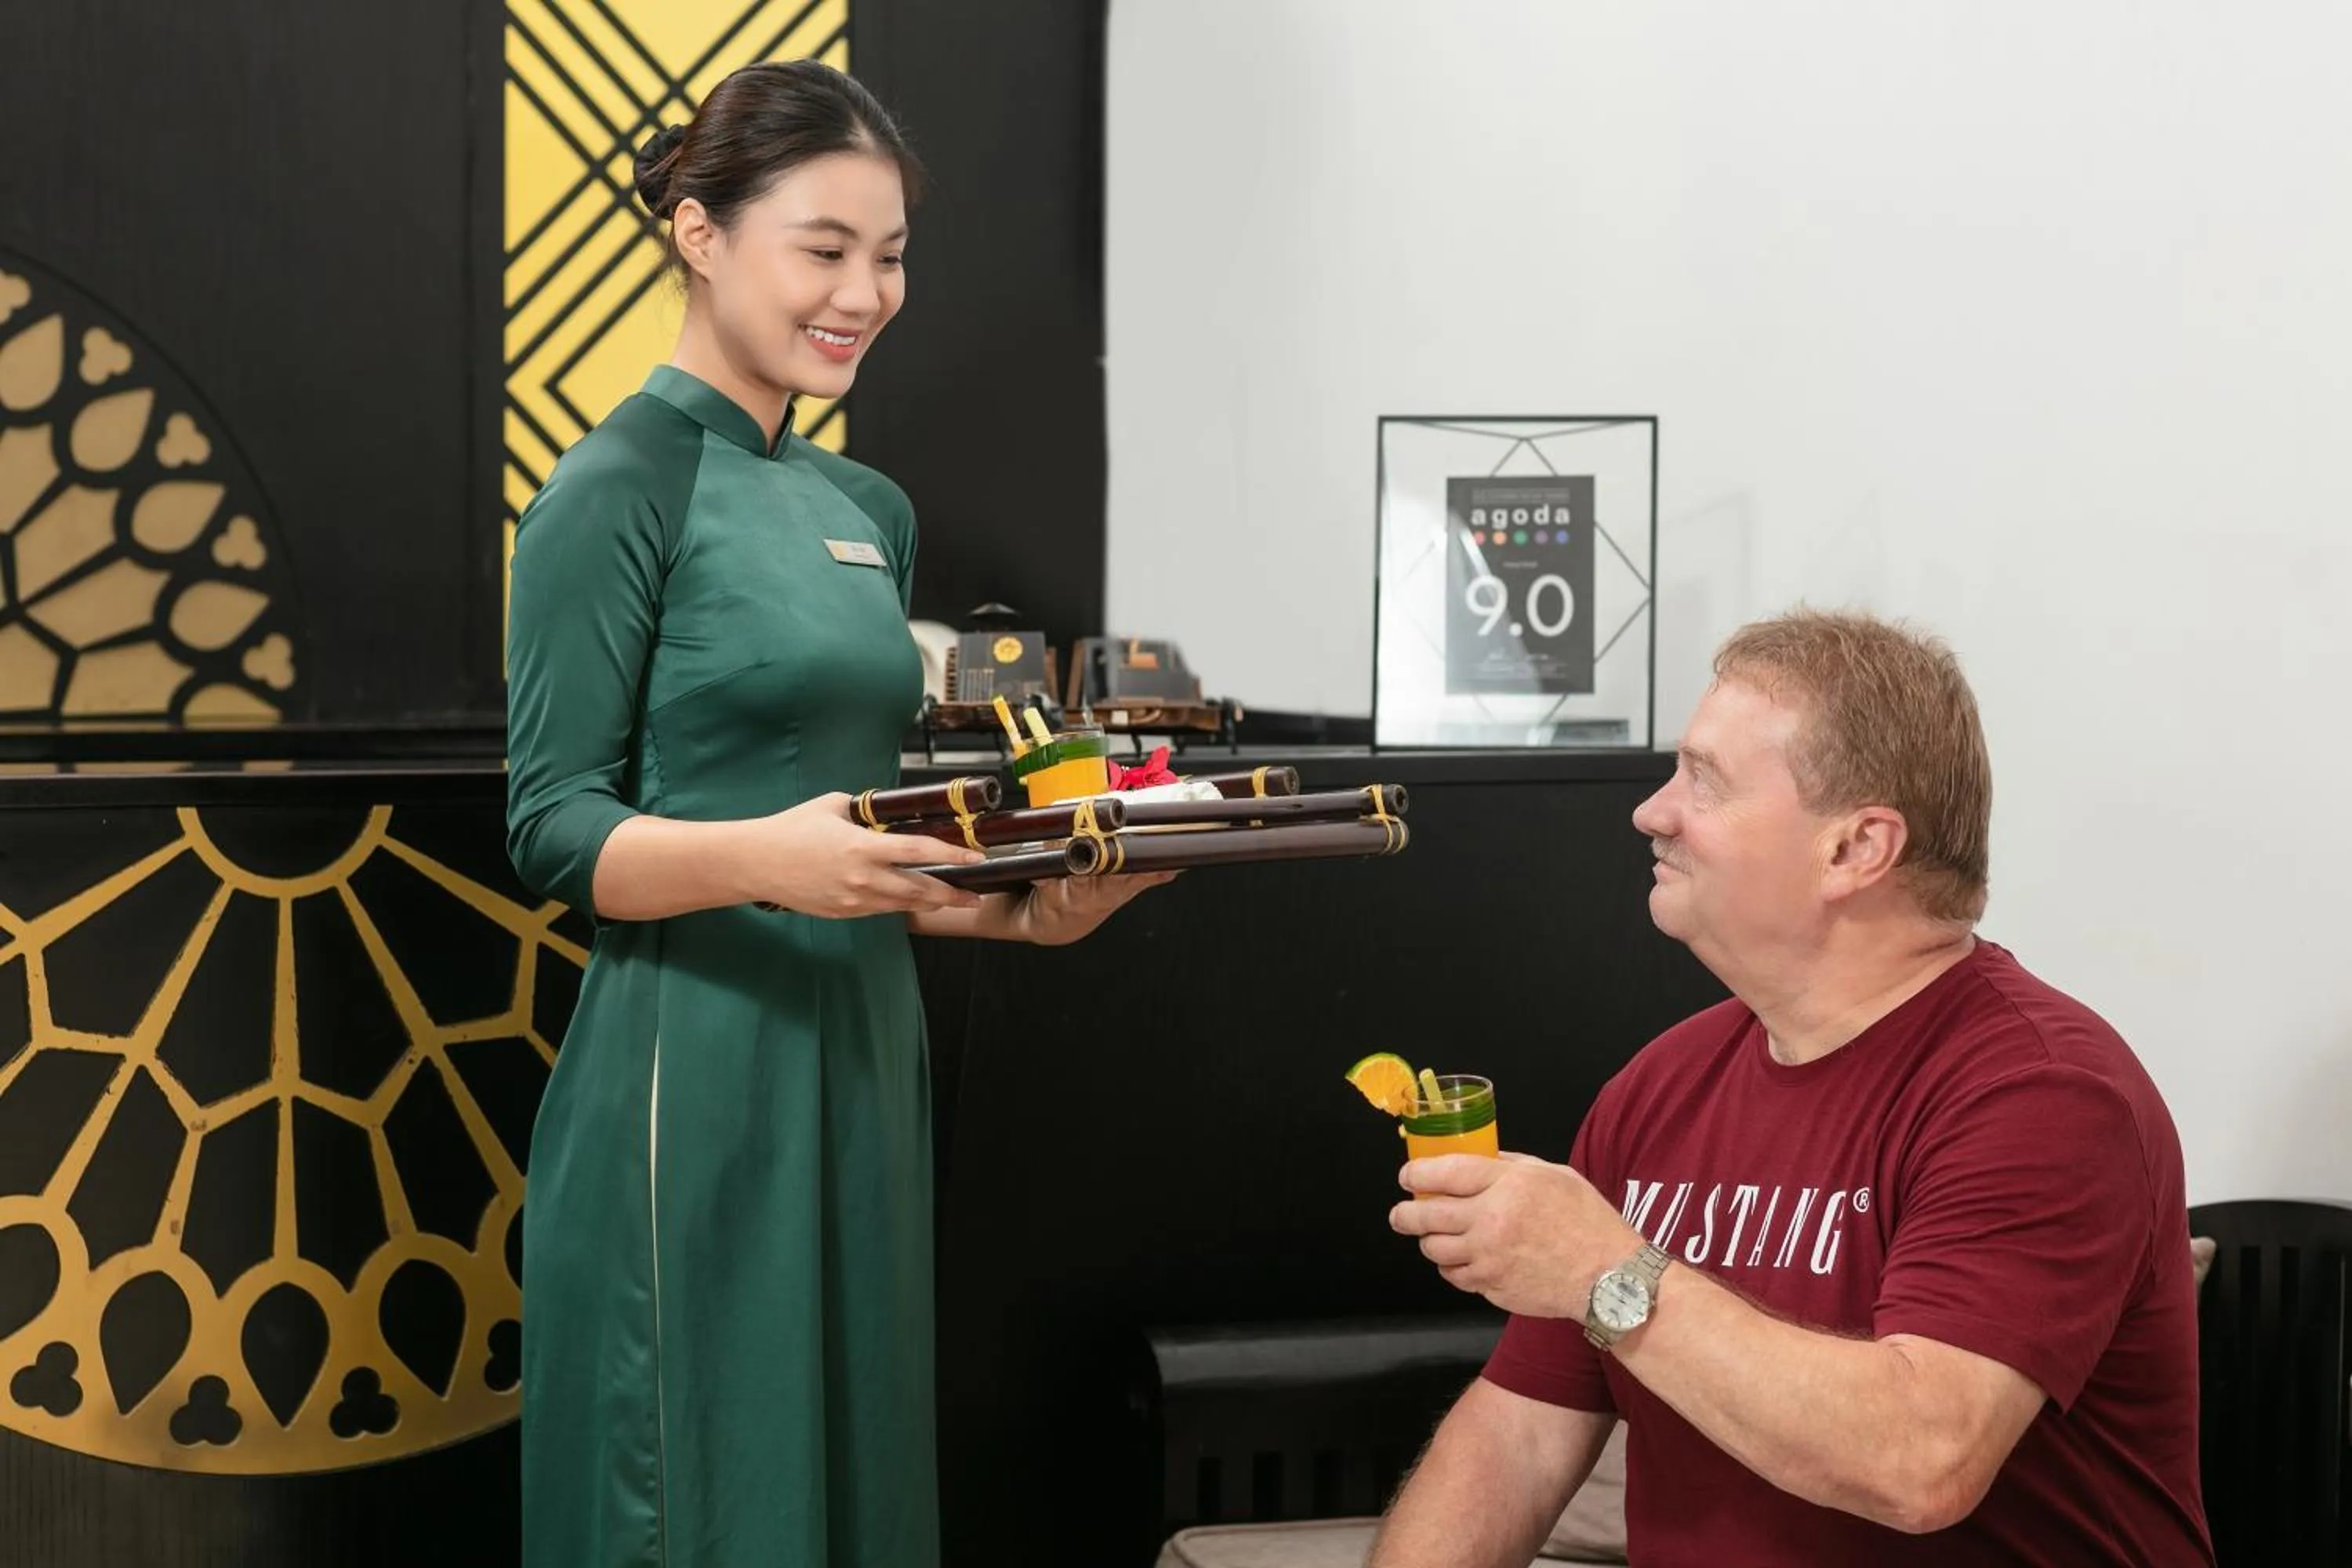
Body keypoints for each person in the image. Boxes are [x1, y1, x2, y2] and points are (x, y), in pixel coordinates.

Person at [503, 60, 1166, 1568]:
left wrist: (1025, 913)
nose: (864, 294)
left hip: (864, 1057)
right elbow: (552, 827)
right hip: (694, 1066)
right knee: (703, 1497)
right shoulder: (613, 491)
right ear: (701, 234)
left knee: (849, 1482)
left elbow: (866, 847)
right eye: (825, 249)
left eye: (891, 256)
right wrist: (770, 860)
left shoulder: (868, 511)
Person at [1378, 609, 2212, 1566]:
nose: (1652, 811)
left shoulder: (2042, 1093)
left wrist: (1604, 1269)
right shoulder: (1660, 1087)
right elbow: (1518, 1437)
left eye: (1704, 779)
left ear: (1856, 848)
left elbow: (1921, 1460)